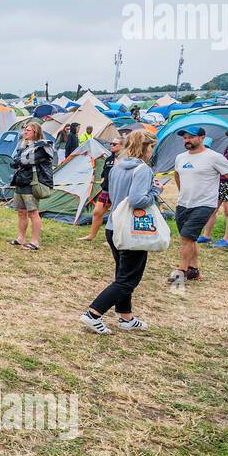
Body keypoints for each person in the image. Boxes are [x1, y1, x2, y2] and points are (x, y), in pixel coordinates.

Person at [79, 130, 160, 334]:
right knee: (127, 280)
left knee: (122, 275)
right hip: (131, 230)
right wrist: (156, 192)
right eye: (151, 147)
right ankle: (93, 314)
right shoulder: (142, 170)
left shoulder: (116, 166)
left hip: (113, 226)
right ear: (144, 148)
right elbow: (137, 199)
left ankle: (126, 318)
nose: (152, 151)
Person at [170, 126, 228, 283]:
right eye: (185, 137)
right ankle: (194, 270)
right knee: (189, 238)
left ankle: (181, 272)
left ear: (202, 137)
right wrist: (183, 192)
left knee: (187, 237)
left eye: (191, 137)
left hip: (204, 204)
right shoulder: (180, 157)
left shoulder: (214, 157)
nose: (187, 140)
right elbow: (177, 175)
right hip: (183, 204)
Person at [9, 120, 53, 250]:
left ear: (35, 132)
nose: (24, 132)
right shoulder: (24, 146)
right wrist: (19, 160)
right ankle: (21, 238)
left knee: (33, 213)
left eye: (27, 130)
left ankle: (34, 242)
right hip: (21, 181)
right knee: (21, 212)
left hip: (32, 183)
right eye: (24, 130)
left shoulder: (43, 147)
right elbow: (15, 162)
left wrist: (19, 160)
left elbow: (25, 161)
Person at [81, 134, 121, 242]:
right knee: (97, 212)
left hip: (119, 191)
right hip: (106, 190)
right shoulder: (109, 159)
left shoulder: (125, 160)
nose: (111, 146)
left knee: (117, 215)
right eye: (111, 144)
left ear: (123, 146)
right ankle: (91, 236)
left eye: (114, 144)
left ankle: (115, 239)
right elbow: (104, 173)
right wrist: (103, 180)